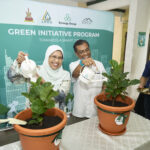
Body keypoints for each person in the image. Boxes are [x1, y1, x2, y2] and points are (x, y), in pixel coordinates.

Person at [7, 45, 71, 110]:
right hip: (35, 113)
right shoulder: (36, 69)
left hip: (56, 114)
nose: (57, 60)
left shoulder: (65, 74)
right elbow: (12, 78)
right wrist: (18, 62)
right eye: (54, 57)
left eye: (60, 58)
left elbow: (60, 96)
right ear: (47, 57)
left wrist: (38, 78)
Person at [69, 39, 107, 118]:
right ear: (76, 54)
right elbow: (75, 75)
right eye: (81, 52)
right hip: (79, 109)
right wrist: (82, 63)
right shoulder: (73, 65)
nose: (85, 53)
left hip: (95, 109)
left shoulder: (99, 65)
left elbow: (105, 81)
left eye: (87, 50)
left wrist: (102, 94)